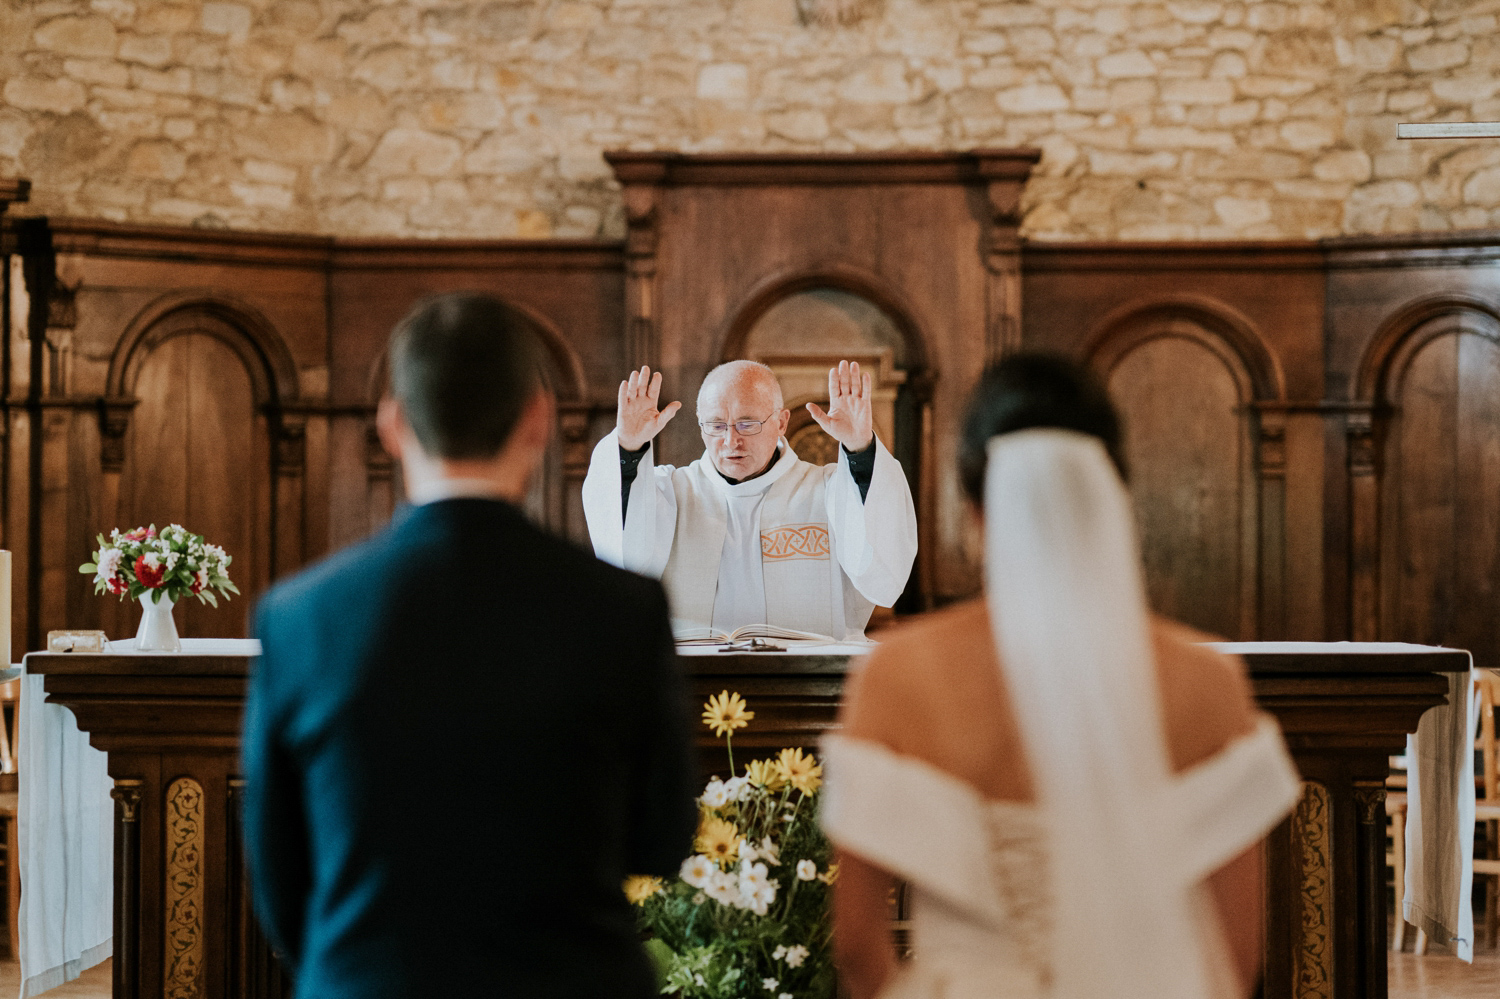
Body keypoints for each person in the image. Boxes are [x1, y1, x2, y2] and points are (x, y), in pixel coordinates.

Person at [241, 293, 698, 999]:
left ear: (392, 424)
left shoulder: (302, 615)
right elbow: (662, 837)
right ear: (539, 420)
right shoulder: (621, 609)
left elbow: (278, 864)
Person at [820, 354, 1302, 999]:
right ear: (1113, 489)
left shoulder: (899, 672)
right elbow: (1237, 953)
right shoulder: (1205, 679)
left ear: (971, 505)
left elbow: (855, 941)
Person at [581, 359, 918, 640]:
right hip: (695, 683)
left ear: (781, 422)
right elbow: (623, 558)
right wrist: (628, 450)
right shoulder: (670, 493)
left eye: (747, 424)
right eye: (716, 425)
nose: (731, 441)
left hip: (808, 684)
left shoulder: (829, 491)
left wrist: (860, 450)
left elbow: (881, 575)